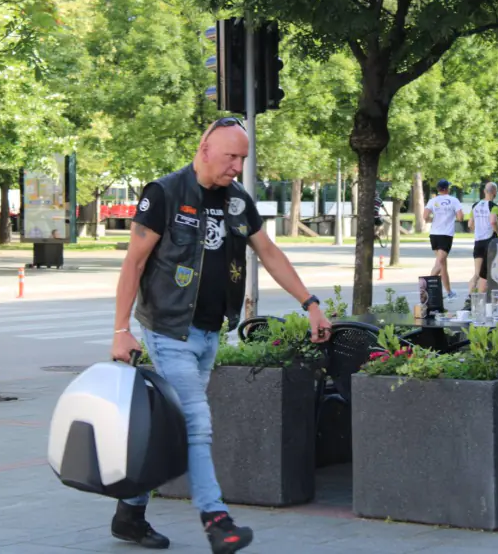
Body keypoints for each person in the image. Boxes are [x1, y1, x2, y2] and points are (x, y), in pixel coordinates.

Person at [110, 116, 332, 553]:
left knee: (172, 427)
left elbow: (268, 252)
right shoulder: (165, 194)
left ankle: (129, 514)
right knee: (196, 420)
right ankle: (217, 520)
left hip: (210, 333)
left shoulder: (236, 201)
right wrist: (121, 330)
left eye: (242, 159)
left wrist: (310, 303)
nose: (236, 166)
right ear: (205, 148)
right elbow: (133, 263)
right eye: (230, 156)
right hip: (169, 330)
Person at [423, 179, 463, 299]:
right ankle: (425, 289)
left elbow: (425, 216)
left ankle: (449, 292)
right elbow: (460, 217)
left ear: (439, 189)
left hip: (434, 235)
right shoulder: (454, 200)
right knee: (440, 264)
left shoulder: (433, 200)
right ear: (447, 188)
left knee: (443, 264)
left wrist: (433, 220)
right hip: (446, 235)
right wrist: (451, 218)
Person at [467, 182, 498, 295]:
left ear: (484, 191)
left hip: (478, 242)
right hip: (490, 242)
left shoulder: (475, 206)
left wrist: (478, 230)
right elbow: (493, 221)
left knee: (477, 274)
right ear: (495, 192)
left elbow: (470, 224)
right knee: (489, 274)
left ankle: (470, 298)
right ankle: (486, 299)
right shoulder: (494, 207)